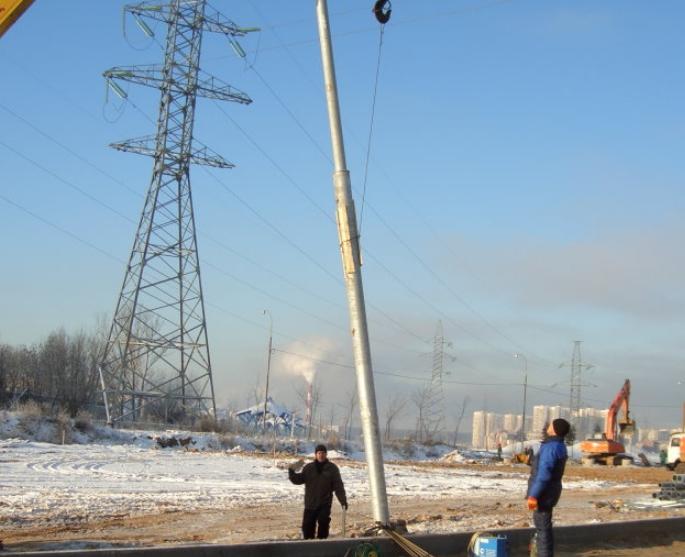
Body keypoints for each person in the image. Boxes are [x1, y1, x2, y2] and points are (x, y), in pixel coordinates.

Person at [526, 418, 570, 557]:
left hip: (544, 493)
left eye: (551, 424)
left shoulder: (551, 447)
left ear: (555, 429)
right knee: (544, 527)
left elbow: (544, 475)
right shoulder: (558, 445)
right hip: (551, 491)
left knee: (542, 528)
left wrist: (534, 495)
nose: (549, 426)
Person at [288, 444, 348, 540]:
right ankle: (309, 547)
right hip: (310, 503)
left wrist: (343, 501)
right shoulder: (309, 468)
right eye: (319, 453)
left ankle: (322, 545)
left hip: (325, 503)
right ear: (315, 454)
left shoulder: (332, 469)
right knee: (307, 528)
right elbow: (298, 480)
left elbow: (338, 486)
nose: (321, 455)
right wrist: (291, 471)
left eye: (323, 453)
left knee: (323, 524)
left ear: (326, 454)